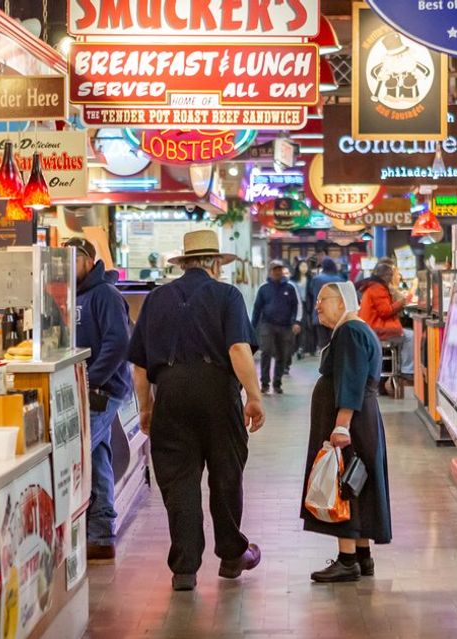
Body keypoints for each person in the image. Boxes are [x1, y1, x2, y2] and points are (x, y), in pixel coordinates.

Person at [128, 230, 265, 592]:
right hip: (219, 393)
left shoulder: (155, 299)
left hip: (171, 394)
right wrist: (254, 395)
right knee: (226, 474)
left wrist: (146, 407)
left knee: (180, 482)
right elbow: (238, 348)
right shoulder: (227, 295)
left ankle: (185, 569)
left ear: (184, 263)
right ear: (214, 263)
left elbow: (140, 365)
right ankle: (232, 556)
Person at [302, 281, 392, 583]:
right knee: (358, 481)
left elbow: (351, 381)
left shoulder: (350, 331)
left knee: (344, 484)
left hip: (351, 422)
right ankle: (363, 556)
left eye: (322, 300)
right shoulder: (354, 329)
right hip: (361, 420)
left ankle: (347, 559)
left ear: (342, 303)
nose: (317, 306)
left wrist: (341, 425)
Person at [65, 237, 132, 563]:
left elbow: (119, 342)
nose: (68, 264)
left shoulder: (104, 293)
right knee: (97, 456)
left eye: (75, 258)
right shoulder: (69, 294)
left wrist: (91, 379)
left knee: (80, 454)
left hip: (102, 391)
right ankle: (101, 534)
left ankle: (95, 531)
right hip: (85, 390)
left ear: (89, 260)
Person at [358, 261, 414, 395]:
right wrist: (403, 302)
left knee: (408, 334)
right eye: (395, 274)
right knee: (411, 336)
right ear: (388, 276)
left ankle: (399, 372)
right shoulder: (378, 289)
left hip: (372, 327)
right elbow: (385, 311)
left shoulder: (372, 287)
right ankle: (407, 372)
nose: (398, 277)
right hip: (378, 329)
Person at [250, 260, 299, 395]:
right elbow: (257, 308)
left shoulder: (289, 288)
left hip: (284, 326)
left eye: (280, 269)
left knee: (282, 355)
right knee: (266, 351)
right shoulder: (264, 288)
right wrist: (252, 327)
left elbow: (296, 306)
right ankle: (265, 383)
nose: (278, 272)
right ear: (270, 271)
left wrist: (296, 322)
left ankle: (277, 383)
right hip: (267, 324)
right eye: (275, 269)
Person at [308, 257, 344, 350]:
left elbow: (311, 293)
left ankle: (324, 361)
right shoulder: (339, 279)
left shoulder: (316, 279)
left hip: (320, 313)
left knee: (323, 343)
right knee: (335, 342)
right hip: (335, 315)